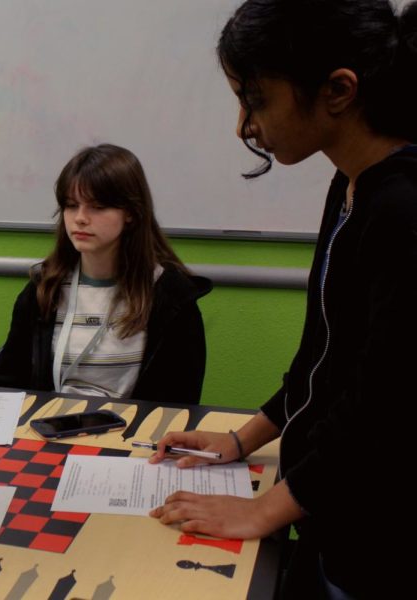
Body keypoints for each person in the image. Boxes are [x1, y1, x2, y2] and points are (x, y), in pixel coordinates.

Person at [148, 0, 417, 597]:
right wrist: (244, 438)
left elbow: (383, 403)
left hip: (383, 544)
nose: (244, 124)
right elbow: (324, 357)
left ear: (338, 90)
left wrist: (264, 511)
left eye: (256, 99)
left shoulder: (403, 211)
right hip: (327, 509)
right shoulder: (349, 184)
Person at [0, 144, 211, 403]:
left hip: (132, 437)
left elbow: (179, 404)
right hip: (49, 433)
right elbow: (7, 385)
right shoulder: (44, 290)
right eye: (71, 205)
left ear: (130, 213)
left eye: (97, 207)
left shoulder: (170, 298)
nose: (80, 218)